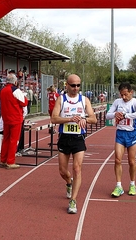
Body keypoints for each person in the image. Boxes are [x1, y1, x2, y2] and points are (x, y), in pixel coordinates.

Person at [51, 74, 97, 214]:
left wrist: (84, 119)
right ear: (67, 85)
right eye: (73, 85)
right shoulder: (61, 99)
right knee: (62, 171)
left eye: (78, 85)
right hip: (64, 137)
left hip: (78, 138)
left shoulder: (84, 100)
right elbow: (54, 119)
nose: (76, 88)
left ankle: (73, 200)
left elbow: (93, 119)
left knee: (77, 168)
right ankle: (69, 183)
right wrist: (69, 119)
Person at [106, 82, 136, 197]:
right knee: (117, 160)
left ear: (131, 92)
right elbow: (108, 115)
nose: (123, 97)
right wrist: (115, 114)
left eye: (126, 94)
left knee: (131, 162)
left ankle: (132, 184)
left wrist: (125, 115)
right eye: (121, 94)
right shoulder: (117, 102)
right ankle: (118, 186)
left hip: (131, 134)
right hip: (120, 134)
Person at [0, 73, 28, 169]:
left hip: (6, 118)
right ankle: (10, 161)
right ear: (15, 81)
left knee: (6, 139)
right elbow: (24, 103)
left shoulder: (2, 90)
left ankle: (3, 160)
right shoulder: (15, 90)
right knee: (13, 140)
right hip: (15, 118)